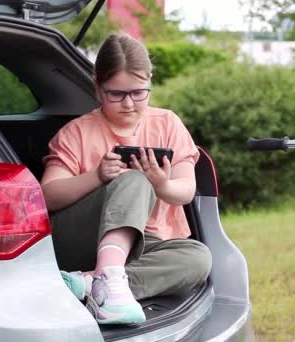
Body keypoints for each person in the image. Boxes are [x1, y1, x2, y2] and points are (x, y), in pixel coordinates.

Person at [40, 33, 212, 325]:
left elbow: (185, 191)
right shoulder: (76, 132)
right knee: (134, 179)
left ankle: (94, 284)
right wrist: (96, 176)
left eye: (138, 92)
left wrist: (162, 185)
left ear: (150, 82)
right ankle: (107, 280)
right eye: (116, 94)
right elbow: (47, 196)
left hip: (146, 243)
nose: (128, 103)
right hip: (81, 239)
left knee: (199, 259)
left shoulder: (167, 123)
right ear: (97, 88)